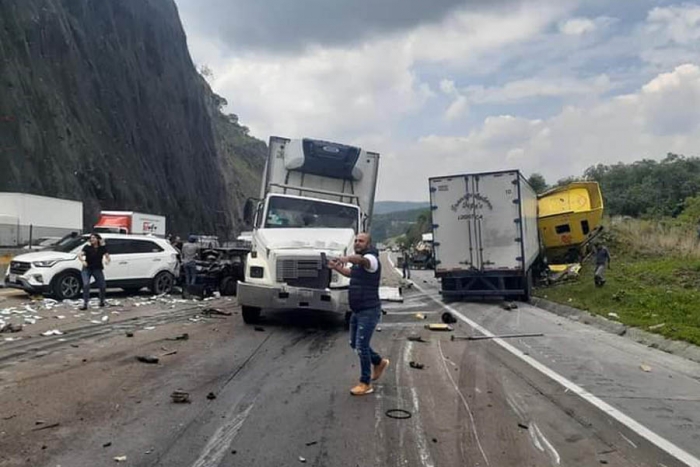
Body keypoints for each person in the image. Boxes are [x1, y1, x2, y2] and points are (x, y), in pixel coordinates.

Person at [329, 232, 390, 396]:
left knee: (362, 346)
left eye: (361, 241)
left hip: (369, 310)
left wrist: (347, 259)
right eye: (356, 240)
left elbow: (361, 261)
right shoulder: (359, 262)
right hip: (357, 310)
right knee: (354, 344)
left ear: (369, 244)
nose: (357, 243)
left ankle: (365, 383)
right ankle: (379, 362)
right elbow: (352, 274)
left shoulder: (371, 259)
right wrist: (337, 267)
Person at [78, 233, 110, 310]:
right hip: (87, 269)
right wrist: (83, 261)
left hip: (97, 269)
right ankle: (85, 304)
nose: (92, 239)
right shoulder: (87, 247)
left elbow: (107, 256)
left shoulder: (102, 248)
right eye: (91, 238)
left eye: (94, 238)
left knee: (102, 286)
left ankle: (101, 301)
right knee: (86, 285)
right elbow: (80, 255)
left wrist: (107, 260)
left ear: (98, 239)